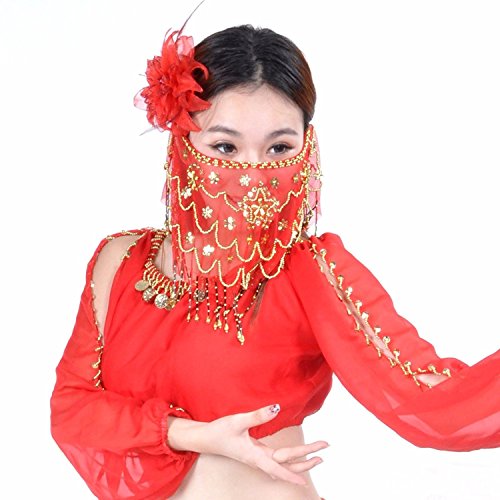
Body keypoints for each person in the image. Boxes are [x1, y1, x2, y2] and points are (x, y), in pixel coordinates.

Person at [49, 17, 500, 500]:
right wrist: (192, 434)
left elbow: (436, 404)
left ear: (307, 147)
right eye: (225, 146)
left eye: (279, 147)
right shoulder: (121, 260)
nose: (253, 173)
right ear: (183, 143)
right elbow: (72, 409)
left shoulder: (310, 271)